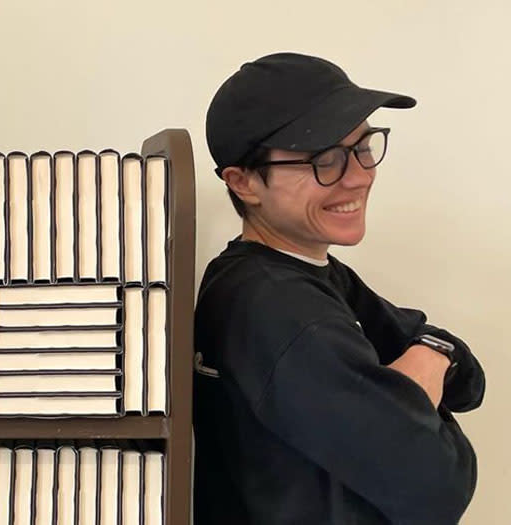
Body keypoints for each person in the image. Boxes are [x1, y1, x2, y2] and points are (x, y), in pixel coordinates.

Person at [194, 52, 485, 524]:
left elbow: (469, 381)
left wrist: (428, 355)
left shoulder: (307, 272)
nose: (358, 175)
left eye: (363, 146)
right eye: (324, 159)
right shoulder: (276, 306)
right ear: (243, 181)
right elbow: (437, 485)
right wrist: (415, 390)